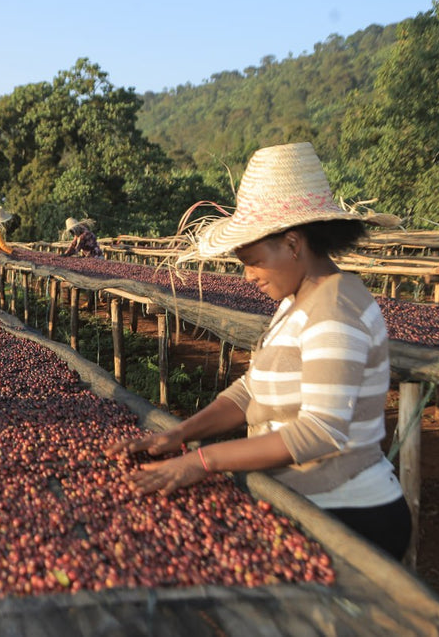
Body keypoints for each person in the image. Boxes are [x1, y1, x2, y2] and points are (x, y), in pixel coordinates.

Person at [105, 142, 410, 560]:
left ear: (293, 244)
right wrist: (181, 434)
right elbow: (251, 391)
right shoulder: (297, 300)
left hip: (348, 517)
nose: (247, 275)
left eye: (252, 260)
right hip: (302, 505)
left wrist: (202, 461)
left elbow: (320, 432)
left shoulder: (334, 310)